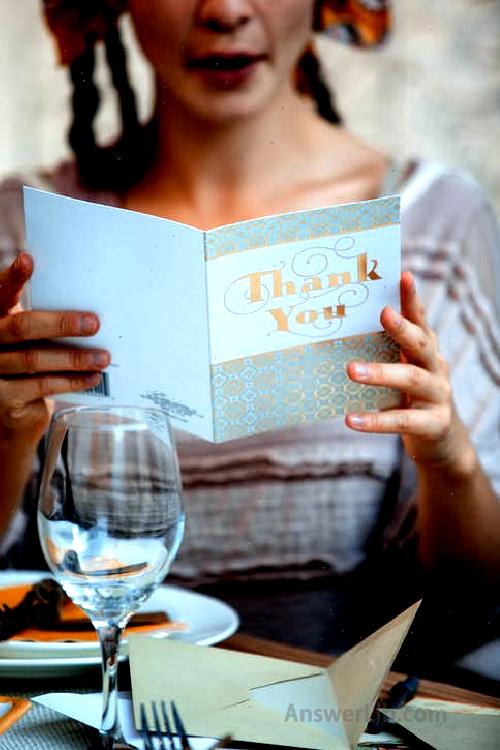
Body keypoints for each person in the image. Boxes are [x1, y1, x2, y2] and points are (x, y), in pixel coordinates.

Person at [0, 0, 499, 672]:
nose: (227, 9)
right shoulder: (29, 236)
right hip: (91, 709)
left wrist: (448, 462)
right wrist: (8, 430)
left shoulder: (432, 224)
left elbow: (476, 606)